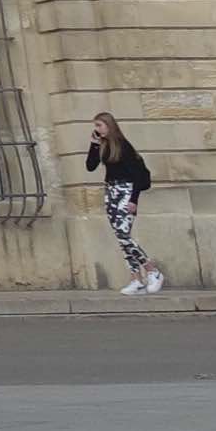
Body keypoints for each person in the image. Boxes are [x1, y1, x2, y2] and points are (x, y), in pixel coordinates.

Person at [84, 112, 164, 296]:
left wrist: (133, 200)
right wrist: (94, 145)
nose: (96, 129)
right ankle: (136, 279)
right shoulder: (103, 146)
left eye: (99, 125)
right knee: (121, 238)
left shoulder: (123, 146)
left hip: (126, 190)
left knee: (123, 234)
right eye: (95, 126)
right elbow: (90, 166)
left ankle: (152, 270)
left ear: (109, 126)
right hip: (110, 191)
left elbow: (137, 174)